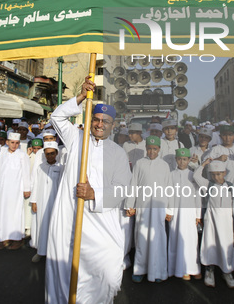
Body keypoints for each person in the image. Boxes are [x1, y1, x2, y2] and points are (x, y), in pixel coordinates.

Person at [46, 77, 132, 303]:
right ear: (90, 119)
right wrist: (81, 97)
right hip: (70, 220)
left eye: (105, 121)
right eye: (96, 119)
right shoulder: (76, 139)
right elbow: (57, 117)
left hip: (100, 224)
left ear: (113, 125)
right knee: (67, 272)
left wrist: (94, 194)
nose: (99, 124)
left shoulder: (118, 153)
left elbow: (122, 189)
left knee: (103, 271)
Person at [125, 136, 173, 283]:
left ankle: (158, 271)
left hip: (159, 208)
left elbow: (169, 188)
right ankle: (140, 269)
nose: (152, 151)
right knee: (141, 237)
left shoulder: (164, 165)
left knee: (158, 238)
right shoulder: (140, 164)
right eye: (149, 148)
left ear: (159, 149)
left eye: (155, 149)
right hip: (143, 206)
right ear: (146, 148)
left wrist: (170, 210)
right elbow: (133, 184)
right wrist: (130, 204)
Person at [203, 124, 234, 258]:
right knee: (225, 218)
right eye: (225, 135)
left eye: (230, 135)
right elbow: (205, 163)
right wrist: (217, 159)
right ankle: (224, 248)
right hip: (224, 189)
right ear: (220, 136)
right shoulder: (216, 149)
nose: (227, 137)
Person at [194, 160, 234, 289]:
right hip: (212, 222)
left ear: (224, 173)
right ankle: (209, 271)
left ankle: (227, 272)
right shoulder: (208, 185)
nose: (216, 177)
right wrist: (203, 164)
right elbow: (196, 176)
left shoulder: (231, 187)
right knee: (211, 245)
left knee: (227, 246)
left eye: (219, 174)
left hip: (226, 223)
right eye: (213, 174)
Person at [0, 132, 31, 250]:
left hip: (16, 189)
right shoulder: (2, 154)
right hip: (2, 189)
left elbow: (26, 173)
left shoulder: (22, 155)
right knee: (2, 213)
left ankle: (17, 239)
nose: (14, 145)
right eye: (12, 142)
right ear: (7, 142)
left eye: (17, 143)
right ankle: (3, 238)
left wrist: (27, 189)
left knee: (15, 213)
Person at [167, 148, 201, 281]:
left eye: (185, 159)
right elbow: (168, 194)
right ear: (176, 159)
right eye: (180, 159)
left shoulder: (193, 175)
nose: (182, 162)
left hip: (190, 213)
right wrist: (169, 211)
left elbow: (197, 196)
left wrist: (198, 214)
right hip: (176, 213)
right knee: (176, 238)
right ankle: (179, 269)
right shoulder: (171, 174)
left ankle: (193, 268)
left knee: (191, 240)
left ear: (189, 160)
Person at [30, 141, 63, 262]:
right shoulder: (40, 167)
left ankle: (51, 254)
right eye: (47, 154)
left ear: (56, 153)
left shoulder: (60, 168)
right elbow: (36, 184)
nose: (50, 156)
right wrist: (34, 201)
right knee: (41, 226)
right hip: (41, 203)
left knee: (53, 227)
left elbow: (61, 187)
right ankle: (41, 251)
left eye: (52, 153)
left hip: (54, 203)